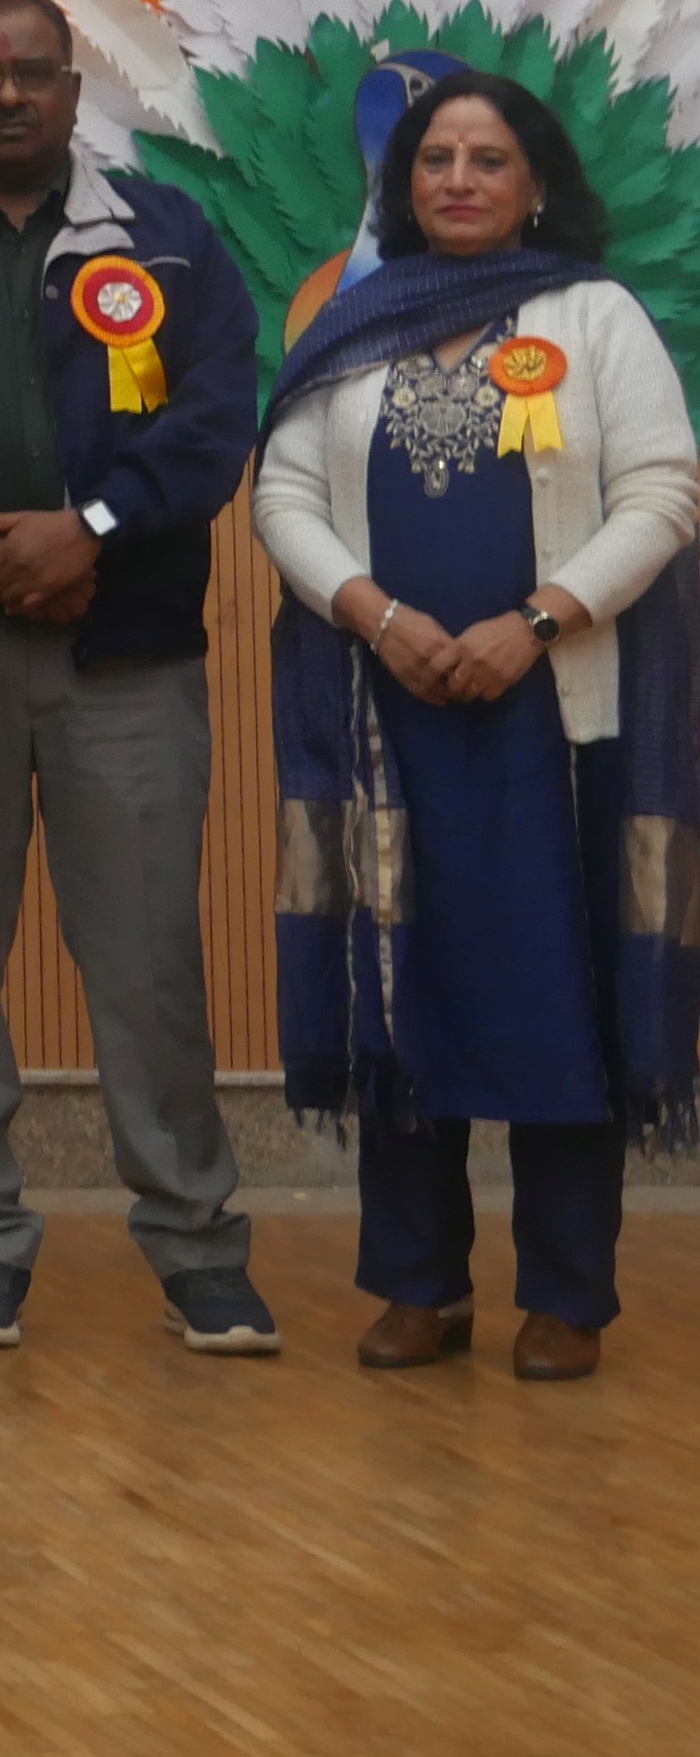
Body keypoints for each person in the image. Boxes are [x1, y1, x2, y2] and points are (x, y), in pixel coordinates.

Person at [252, 68, 700, 1381]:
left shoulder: (593, 314)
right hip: (382, 719)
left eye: (487, 159)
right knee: (397, 989)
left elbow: (664, 491)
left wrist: (538, 620)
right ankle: (418, 1284)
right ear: (403, 183)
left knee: (562, 994)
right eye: (435, 158)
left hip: (557, 728)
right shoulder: (354, 318)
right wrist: (379, 617)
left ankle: (565, 1292)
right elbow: (281, 495)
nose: (457, 179)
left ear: (534, 184)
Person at [0, 0, 274, 1355]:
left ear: (73, 88)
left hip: (124, 656)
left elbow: (214, 419)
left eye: (33, 70)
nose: (8, 94)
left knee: (148, 957)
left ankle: (197, 1241)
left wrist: (89, 527)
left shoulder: (167, 238)